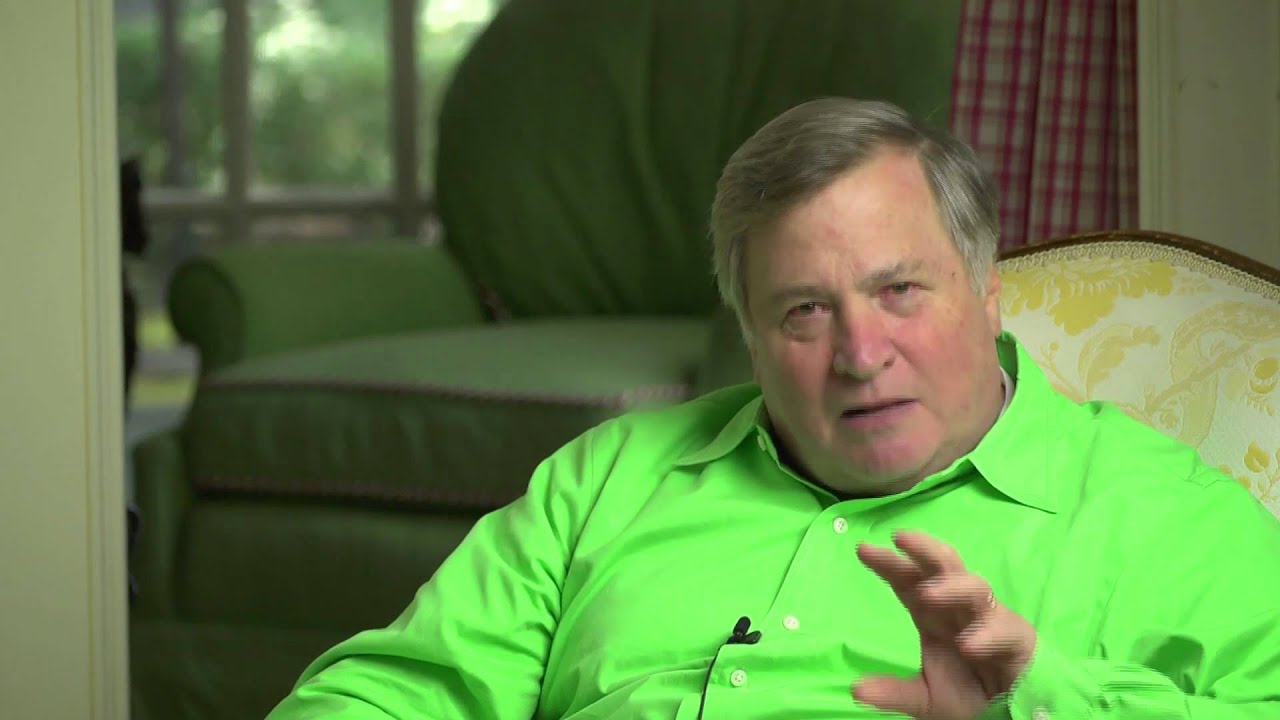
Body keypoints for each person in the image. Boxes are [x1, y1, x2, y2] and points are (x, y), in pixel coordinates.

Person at [267, 98, 1280, 719]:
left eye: (898, 291)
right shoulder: (605, 480)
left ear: (986, 293)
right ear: (749, 336)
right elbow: (394, 694)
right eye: (804, 311)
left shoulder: (1165, 513)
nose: (860, 355)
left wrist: (1038, 700)